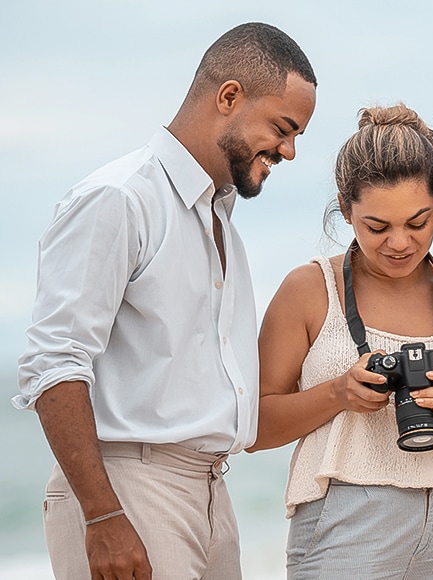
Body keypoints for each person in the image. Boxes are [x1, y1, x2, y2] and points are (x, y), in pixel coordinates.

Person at [14, 23, 316, 580]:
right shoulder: (120, 199)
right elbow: (55, 364)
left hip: (209, 492)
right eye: (283, 127)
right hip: (130, 489)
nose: (290, 150)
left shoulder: (220, 221)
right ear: (229, 97)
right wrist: (103, 513)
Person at [248, 104, 433, 579]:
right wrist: (338, 394)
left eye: (418, 222)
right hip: (345, 524)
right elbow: (255, 429)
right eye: (377, 227)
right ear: (346, 208)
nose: (400, 243)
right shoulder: (309, 289)